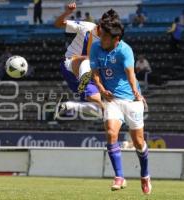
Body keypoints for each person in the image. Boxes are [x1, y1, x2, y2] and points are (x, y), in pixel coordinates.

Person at [90, 15, 151, 194]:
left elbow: (131, 75)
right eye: (101, 36)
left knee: (138, 142)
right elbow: (95, 73)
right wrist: (101, 88)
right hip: (112, 100)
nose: (101, 40)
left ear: (116, 39)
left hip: (131, 101)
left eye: (105, 37)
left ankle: (145, 175)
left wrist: (137, 94)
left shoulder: (125, 50)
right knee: (110, 132)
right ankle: (119, 176)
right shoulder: (96, 47)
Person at [53, 3, 120, 118]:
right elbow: (57, 24)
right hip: (70, 64)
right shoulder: (86, 27)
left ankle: (68, 105)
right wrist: (67, 13)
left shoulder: (110, 41)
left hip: (89, 71)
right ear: (101, 22)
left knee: (100, 110)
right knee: (88, 63)